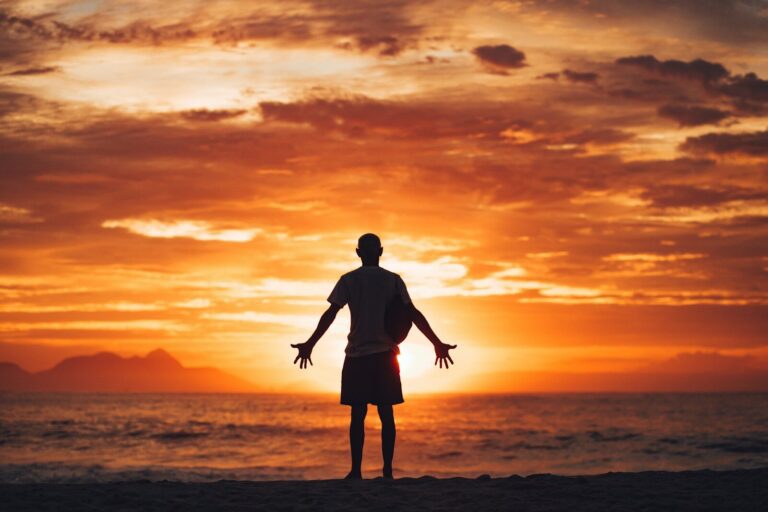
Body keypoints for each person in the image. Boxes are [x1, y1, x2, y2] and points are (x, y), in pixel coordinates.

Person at [291, 233, 457, 480]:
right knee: (386, 415)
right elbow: (413, 313)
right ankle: (387, 471)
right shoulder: (393, 280)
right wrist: (437, 343)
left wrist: (310, 343)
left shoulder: (349, 280)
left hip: (357, 356)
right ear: (380, 251)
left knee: (357, 416)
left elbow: (331, 313)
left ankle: (356, 471)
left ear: (358, 253)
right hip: (385, 357)